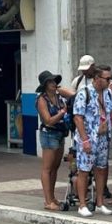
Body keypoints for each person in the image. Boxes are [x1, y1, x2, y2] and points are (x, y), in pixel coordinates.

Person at [72, 65, 112, 217]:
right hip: (89, 137)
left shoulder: (108, 93)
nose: (110, 81)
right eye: (107, 78)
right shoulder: (84, 93)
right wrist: (85, 140)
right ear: (96, 78)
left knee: (102, 169)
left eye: (111, 78)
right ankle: (82, 204)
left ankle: (100, 202)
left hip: (103, 137)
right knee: (84, 170)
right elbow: (78, 117)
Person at [35, 70, 67, 211]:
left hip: (60, 133)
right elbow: (48, 120)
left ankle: (52, 197)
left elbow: (73, 95)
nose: (54, 84)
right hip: (49, 134)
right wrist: (62, 113)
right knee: (47, 168)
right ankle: (48, 200)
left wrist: (60, 90)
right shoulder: (42, 99)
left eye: (55, 81)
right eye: (51, 82)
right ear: (45, 85)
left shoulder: (59, 97)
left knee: (55, 167)